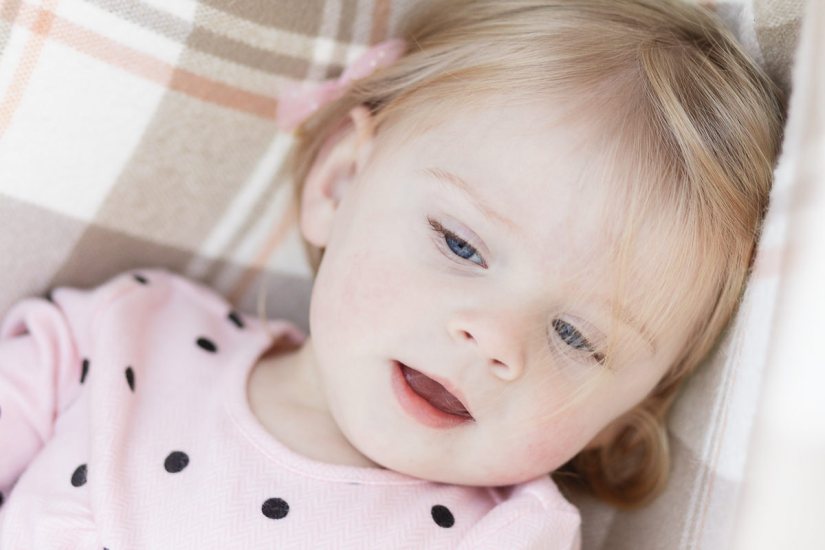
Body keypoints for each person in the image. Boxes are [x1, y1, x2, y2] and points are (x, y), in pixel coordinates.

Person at [0, 0, 785, 547]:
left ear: (626, 415)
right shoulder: (127, 334)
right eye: (461, 246)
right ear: (339, 183)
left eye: (576, 335)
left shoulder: (507, 537)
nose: (493, 339)